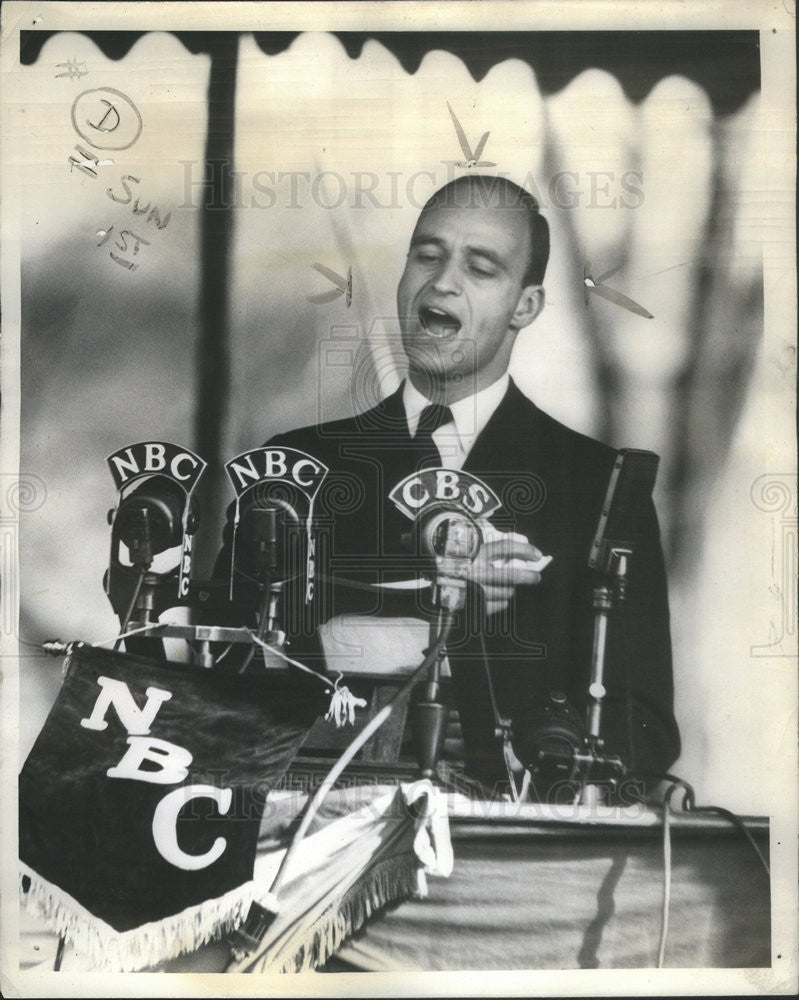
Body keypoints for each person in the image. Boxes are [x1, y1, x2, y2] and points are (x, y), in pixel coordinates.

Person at [218, 174, 680, 795]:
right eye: (427, 256)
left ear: (526, 306)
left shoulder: (596, 487)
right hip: (313, 834)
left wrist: (532, 741)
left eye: (481, 267)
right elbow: (217, 669)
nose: (442, 283)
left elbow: (642, 726)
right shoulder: (297, 468)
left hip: (503, 855)